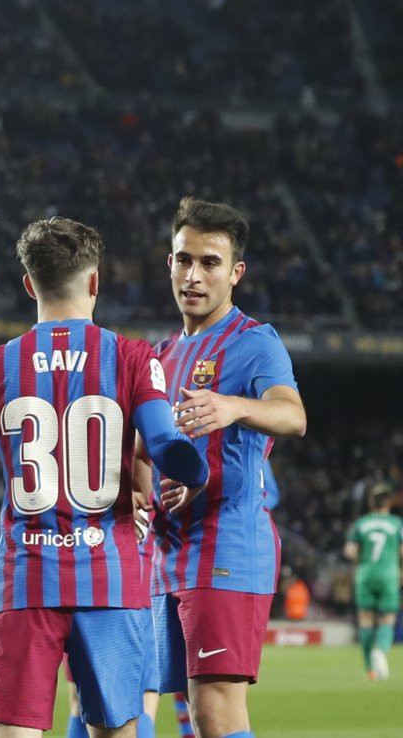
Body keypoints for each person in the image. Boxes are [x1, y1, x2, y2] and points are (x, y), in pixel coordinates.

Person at [0, 217, 209, 738]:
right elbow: (163, 445)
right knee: (115, 730)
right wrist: (196, 472)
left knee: (13, 731)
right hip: (110, 574)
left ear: (29, 284)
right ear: (95, 281)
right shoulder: (136, 357)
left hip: (26, 577)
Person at [149, 197, 307, 738]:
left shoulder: (254, 342)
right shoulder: (164, 353)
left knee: (216, 711)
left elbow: (293, 415)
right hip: (168, 551)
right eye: (183, 259)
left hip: (226, 548)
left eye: (210, 263)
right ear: (169, 262)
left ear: (235, 272)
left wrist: (235, 406)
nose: (193, 275)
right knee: (187, 712)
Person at [343, 483, 402, 681]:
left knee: (366, 620)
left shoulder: (361, 523)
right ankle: (380, 651)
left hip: (365, 575)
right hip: (388, 575)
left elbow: (349, 551)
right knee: (387, 619)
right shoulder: (396, 524)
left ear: (370, 503)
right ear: (388, 503)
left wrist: (363, 560)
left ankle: (370, 669)